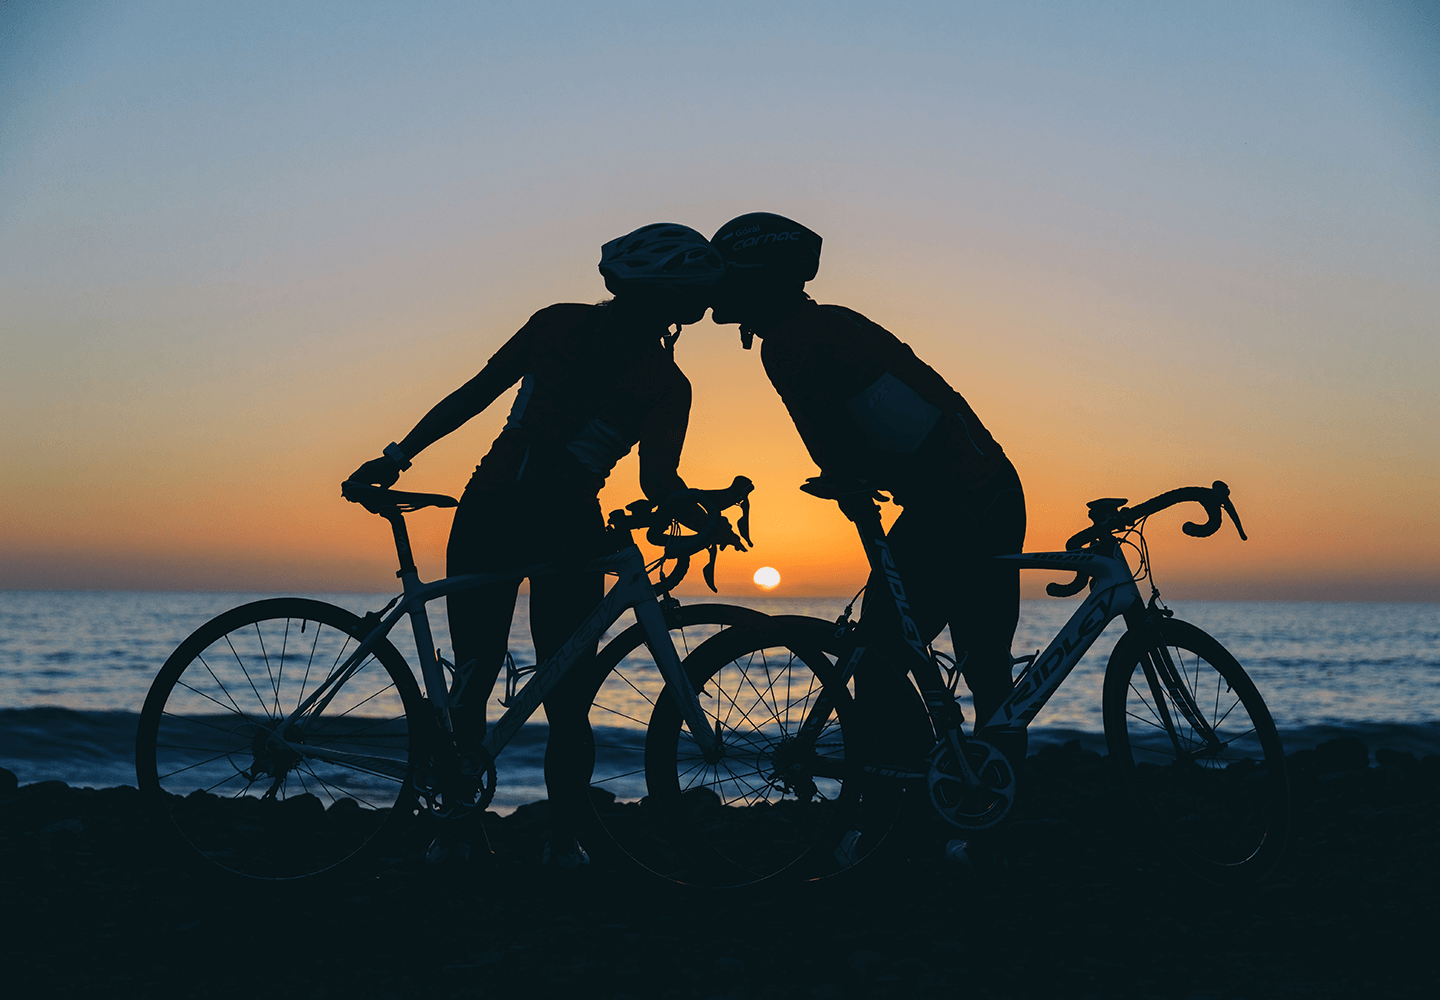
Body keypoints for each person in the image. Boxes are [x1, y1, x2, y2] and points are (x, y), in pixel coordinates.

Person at [347, 223, 725, 867]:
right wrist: (703, 513)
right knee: (569, 694)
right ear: (676, 299)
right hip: (567, 524)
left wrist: (397, 457)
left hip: (487, 510)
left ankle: (456, 832)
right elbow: (657, 482)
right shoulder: (666, 381)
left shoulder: (556, 324)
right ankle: (564, 840)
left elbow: (474, 394)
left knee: (474, 673)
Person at [707, 212, 1027, 861]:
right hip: (985, 490)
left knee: (884, 653)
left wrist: (849, 485)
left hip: (957, 500)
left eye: (732, 282)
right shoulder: (826, 324)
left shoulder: (793, 341)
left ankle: (899, 816)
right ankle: (987, 811)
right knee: (981, 656)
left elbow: (831, 438)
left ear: (760, 282)